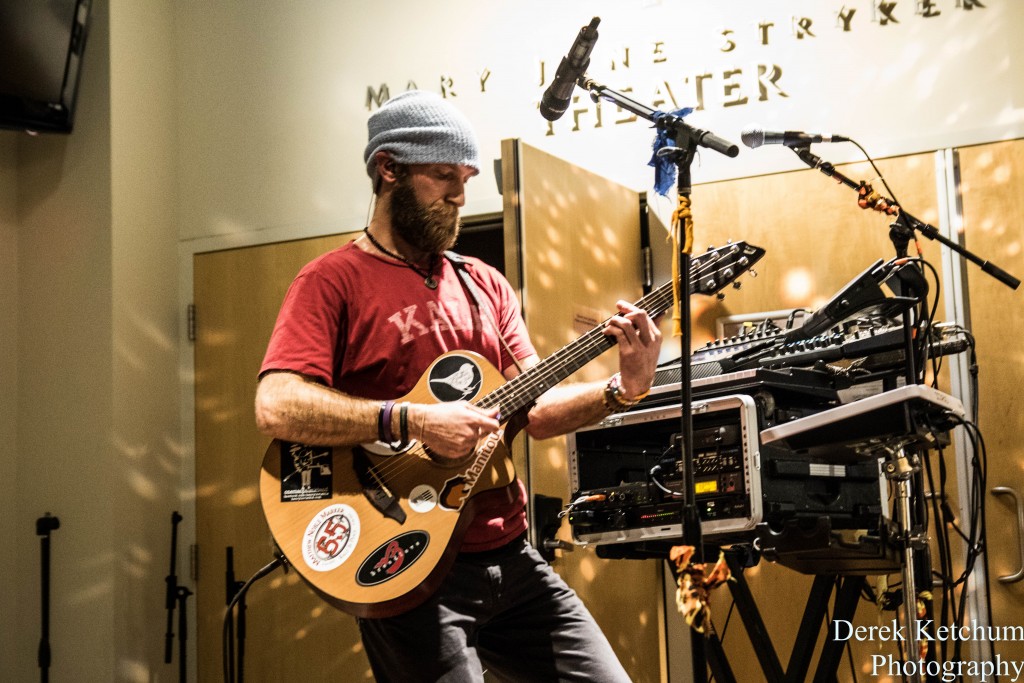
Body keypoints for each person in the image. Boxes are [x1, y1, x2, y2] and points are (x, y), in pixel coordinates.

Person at [255, 90, 662, 682]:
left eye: (466, 177)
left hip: (513, 555)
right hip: (407, 562)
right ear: (388, 168)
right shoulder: (331, 281)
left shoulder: (484, 284)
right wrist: (412, 421)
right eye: (443, 175)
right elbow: (276, 404)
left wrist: (622, 389)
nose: (459, 194)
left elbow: (538, 411)